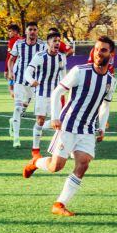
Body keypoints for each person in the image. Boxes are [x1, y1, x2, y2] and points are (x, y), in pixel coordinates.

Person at [23, 36, 117, 216]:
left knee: (83, 164)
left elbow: (105, 105)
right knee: (55, 166)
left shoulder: (111, 81)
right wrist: (55, 117)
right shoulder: (79, 71)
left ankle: (59, 204)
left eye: (103, 50)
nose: (98, 53)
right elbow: (58, 92)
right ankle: (35, 162)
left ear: (111, 54)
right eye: (96, 49)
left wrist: (102, 126)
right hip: (68, 125)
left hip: (88, 129)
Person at [24, 31, 66, 159]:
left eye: (59, 41)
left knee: (59, 122)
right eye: (54, 41)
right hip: (41, 94)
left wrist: (64, 90)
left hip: (55, 95)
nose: (57, 43)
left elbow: (63, 76)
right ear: (48, 43)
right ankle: (35, 150)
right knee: (40, 121)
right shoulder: (40, 56)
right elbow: (27, 72)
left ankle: (61, 150)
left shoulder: (61, 57)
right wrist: (32, 81)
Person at [7, 22, 46, 148]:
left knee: (24, 108)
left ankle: (12, 122)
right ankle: (16, 139)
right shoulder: (18, 44)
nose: (32, 32)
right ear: (26, 32)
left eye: (35, 29)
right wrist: (11, 72)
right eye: (30, 29)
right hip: (19, 81)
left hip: (34, 83)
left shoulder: (42, 46)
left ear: (37, 31)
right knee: (17, 108)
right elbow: (11, 60)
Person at [4, 24, 24, 98]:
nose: (8, 33)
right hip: (22, 66)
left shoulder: (13, 40)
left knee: (11, 87)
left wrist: (7, 70)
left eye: (10, 31)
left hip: (13, 67)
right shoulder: (22, 40)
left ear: (15, 32)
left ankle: (17, 100)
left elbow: (9, 57)